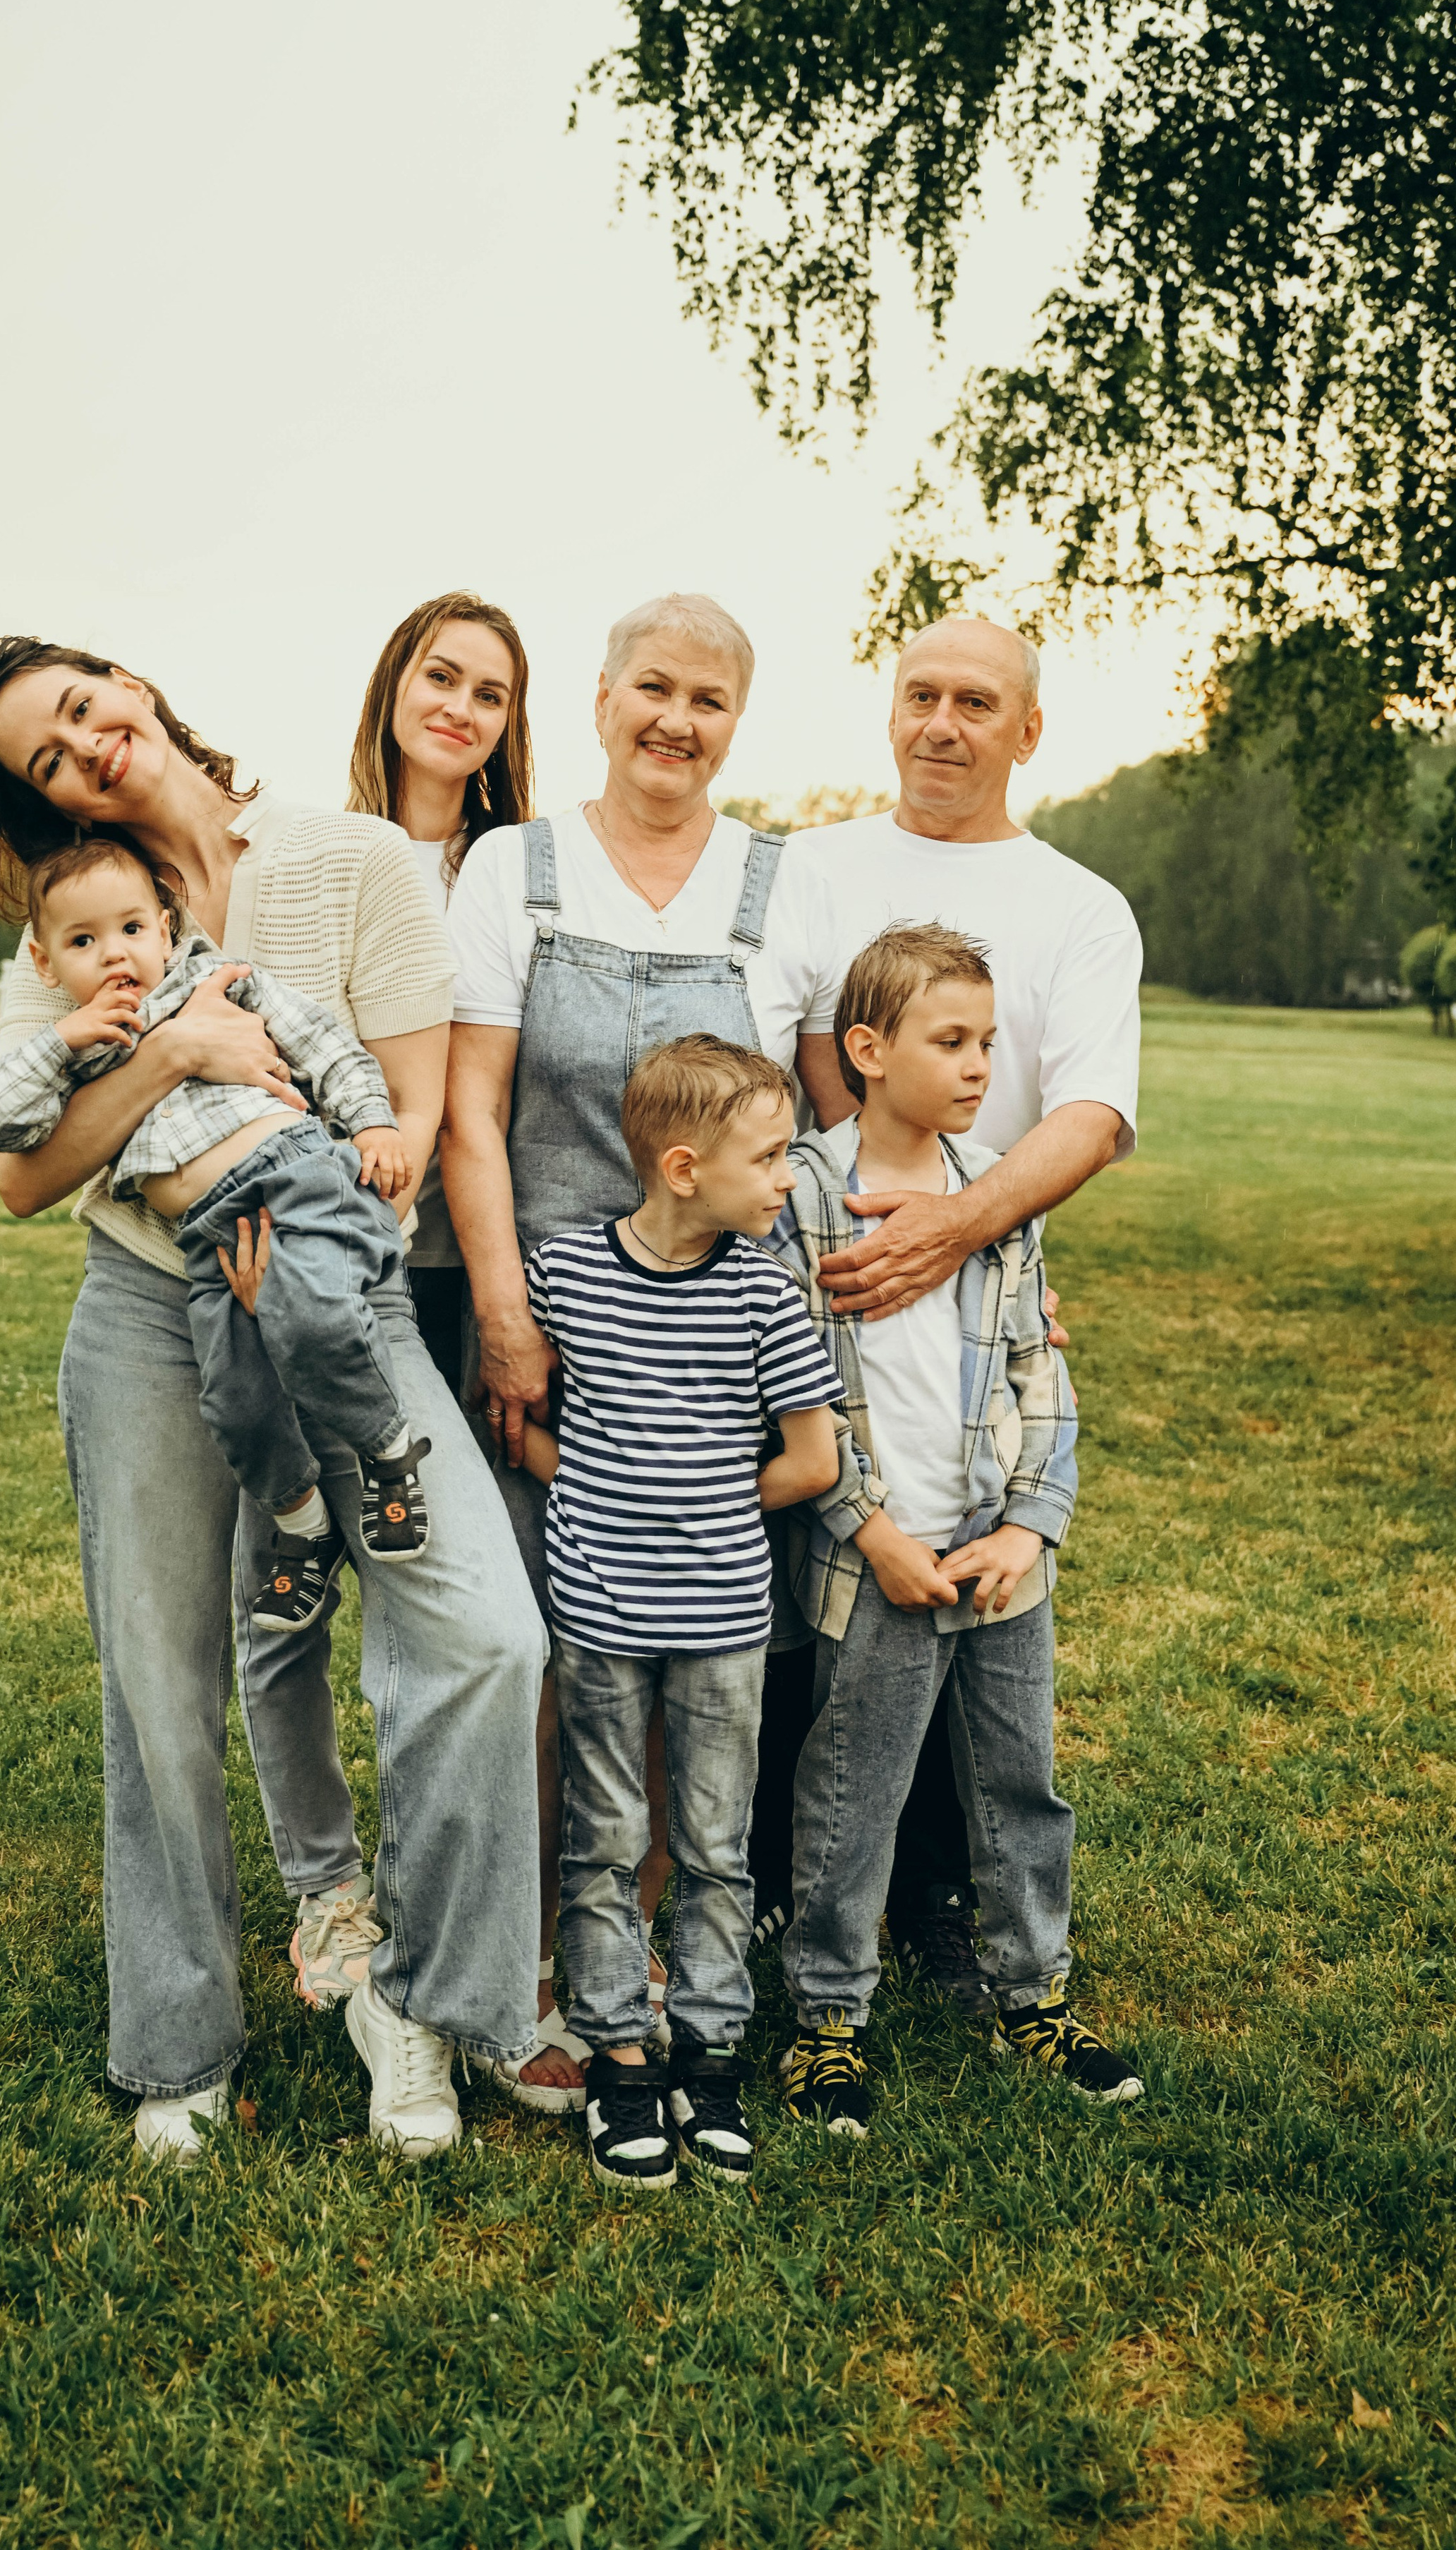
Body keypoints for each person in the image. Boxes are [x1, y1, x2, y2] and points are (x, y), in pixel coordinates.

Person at [0, 635, 543, 2163]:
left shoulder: (348, 858)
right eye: (43, 754)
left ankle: (417, 1997)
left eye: (83, 706)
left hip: (334, 1291)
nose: (81, 745)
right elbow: (26, 1172)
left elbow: (404, 1104)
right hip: (148, 1310)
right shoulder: (64, 925)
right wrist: (176, 1061)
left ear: (132, 690)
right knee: (159, 1684)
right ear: (32, 802)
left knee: (482, 1631)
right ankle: (178, 2044)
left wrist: (310, 1225)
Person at [439, 591, 844, 2108]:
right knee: (560, 1648)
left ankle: (665, 1949)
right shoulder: (514, 869)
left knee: (691, 1639)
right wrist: (501, 1311)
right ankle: (547, 1954)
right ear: (601, 697)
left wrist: (969, 1246)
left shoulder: (778, 884)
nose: (675, 722)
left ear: (738, 722)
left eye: (708, 701)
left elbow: (821, 1124)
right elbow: (474, 1111)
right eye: (650, 689)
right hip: (555, 1328)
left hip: (727, 1333)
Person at [752, 615, 1144, 2002]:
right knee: (833, 1613)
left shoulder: (1078, 906)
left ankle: (935, 1903)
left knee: (966, 1593)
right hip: (831, 1267)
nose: (938, 723)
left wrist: (963, 1239)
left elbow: (1091, 1113)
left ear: (1024, 731)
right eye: (916, 694)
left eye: (973, 702)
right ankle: (794, 1908)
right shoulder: (814, 863)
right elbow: (802, 1048)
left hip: (980, 1283)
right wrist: (842, 1212)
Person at [767, 923, 1141, 2129]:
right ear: (867, 1050)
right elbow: (789, 1387)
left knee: (1019, 1780)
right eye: (953, 1040)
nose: (982, 1064)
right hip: (874, 1561)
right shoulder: (805, 1196)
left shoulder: (993, 1195)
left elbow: (1042, 1364)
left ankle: (1032, 1989)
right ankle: (828, 2019)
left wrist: (1031, 1527)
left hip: (997, 1560)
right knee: (852, 1790)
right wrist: (872, 1530)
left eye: (990, 1041)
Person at [516, 1037, 847, 2188]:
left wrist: (695, 1501)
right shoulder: (565, 1274)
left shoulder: (766, 1292)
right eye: (769, 1160)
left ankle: (708, 2060)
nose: (788, 1181)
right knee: (603, 1844)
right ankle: (618, 2060)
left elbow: (811, 1461)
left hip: (722, 1623)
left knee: (713, 1850)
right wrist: (591, 1482)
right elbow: (521, 1416)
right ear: (682, 1165)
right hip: (599, 1615)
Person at [0, 840, 432, 1622]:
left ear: (165, 929)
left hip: (297, 1179)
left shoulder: (221, 983)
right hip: (207, 1232)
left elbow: (328, 1049)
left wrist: (375, 1125)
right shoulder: (83, 1056)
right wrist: (65, 1039)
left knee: (312, 1316)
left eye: (130, 929)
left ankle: (388, 1452)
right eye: (83, 943)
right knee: (234, 1399)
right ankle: (304, 1527)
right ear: (47, 968)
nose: (114, 954)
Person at [346, 592, 534, 1396]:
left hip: (477, 1252)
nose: (461, 709)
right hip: (347, 1225)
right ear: (395, 684)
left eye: (489, 696)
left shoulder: (521, 871)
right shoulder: (328, 853)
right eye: (442, 678)